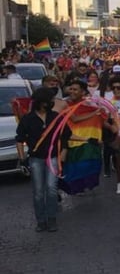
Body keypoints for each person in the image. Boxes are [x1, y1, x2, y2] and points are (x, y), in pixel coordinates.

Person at [15, 87, 70, 232]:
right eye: (49, 100)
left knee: (52, 189)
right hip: (35, 159)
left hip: (53, 158)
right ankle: (41, 220)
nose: (52, 102)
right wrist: (22, 160)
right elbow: (19, 139)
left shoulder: (56, 117)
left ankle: (52, 219)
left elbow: (65, 137)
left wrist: (62, 158)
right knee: (38, 191)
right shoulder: (28, 119)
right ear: (41, 102)